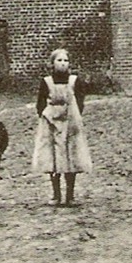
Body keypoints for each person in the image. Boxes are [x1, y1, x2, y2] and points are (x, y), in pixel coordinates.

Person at [32, 48, 91, 206]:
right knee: (54, 158)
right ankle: (56, 195)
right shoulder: (47, 82)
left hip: (70, 123)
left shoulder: (74, 81)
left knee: (71, 158)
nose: (63, 63)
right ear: (52, 63)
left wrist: (74, 116)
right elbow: (40, 102)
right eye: (59, 60)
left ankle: (70, 195)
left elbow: (80, 101)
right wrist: (47, 116)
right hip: (51, 123)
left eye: (65, 60)